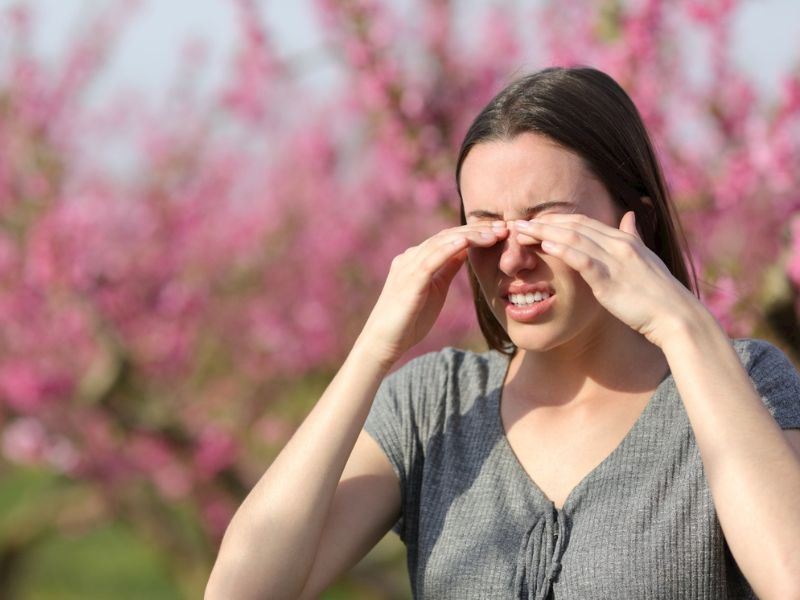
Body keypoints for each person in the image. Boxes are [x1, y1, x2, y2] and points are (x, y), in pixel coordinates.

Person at [205, 67, 800, 600]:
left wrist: (681, 325)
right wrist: (373, 350)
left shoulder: (743, 384)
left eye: (547, 222)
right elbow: (243, 590)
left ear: (634, 222)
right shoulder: (432, 406)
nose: (513, 260)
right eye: (485, 228)